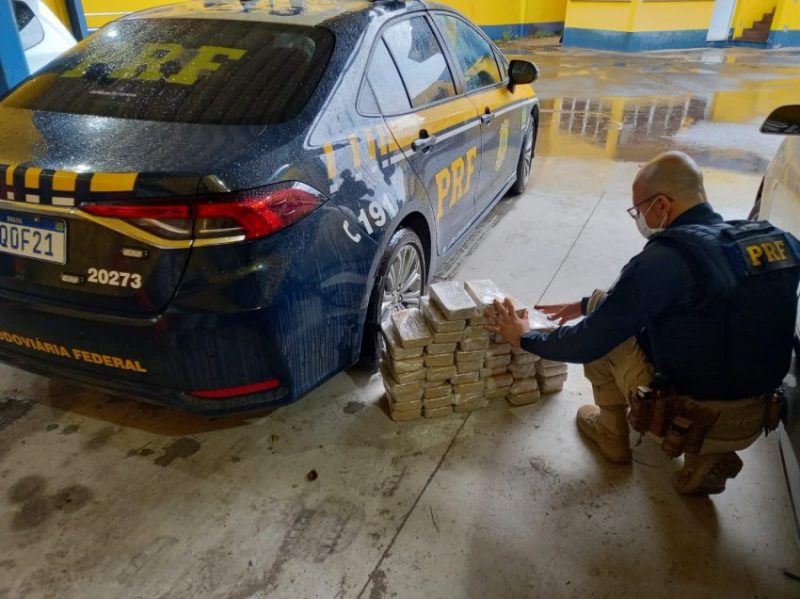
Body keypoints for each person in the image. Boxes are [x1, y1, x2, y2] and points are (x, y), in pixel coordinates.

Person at [486, 151, 800, 495]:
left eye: (639, 209)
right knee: (704, 331)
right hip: (759, 416)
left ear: (662, 205)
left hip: (691, 414)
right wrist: (582, 304)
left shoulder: (668, 258)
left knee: (609, 337)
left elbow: (587, 342)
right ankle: (706, 456)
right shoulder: (777, 242)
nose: (640, 218)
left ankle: (612, 436)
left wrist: (526, 337)